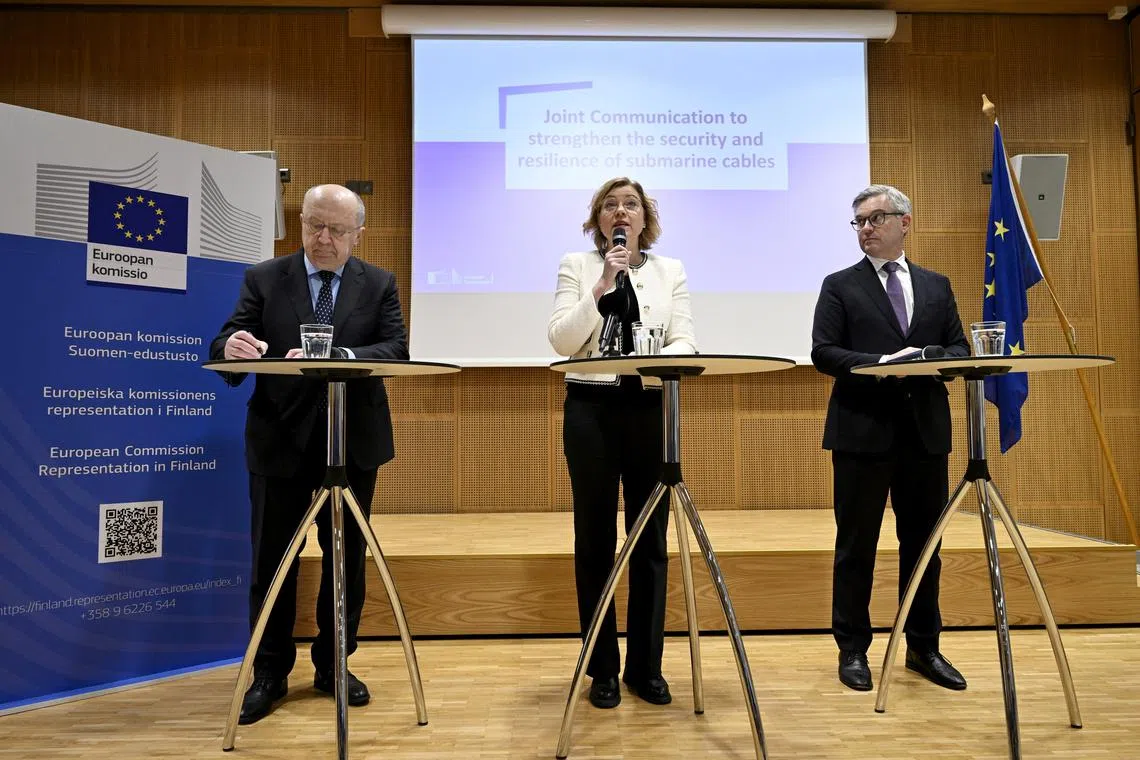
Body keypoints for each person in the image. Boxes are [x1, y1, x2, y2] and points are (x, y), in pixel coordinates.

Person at [209, 184, 409, 724]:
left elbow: (396, 347)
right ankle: (269, 671)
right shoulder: (265, 279)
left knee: (346, 561)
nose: (323, 239)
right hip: (280, 443)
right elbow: (228, 343)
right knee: (272, 562)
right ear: (301, 225)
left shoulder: (379, 283)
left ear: (357, 234)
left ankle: (334, 665)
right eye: (314, 226)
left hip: (352, 444)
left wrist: (338, 355)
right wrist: (231, 347)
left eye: (336, 230)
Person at [811, 184, 970, 693]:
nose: (865, 228)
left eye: (875, 218)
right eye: (858, 221)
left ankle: (924, 647)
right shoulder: (839, 285)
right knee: (855, 546)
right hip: (862, 432)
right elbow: (824, 352)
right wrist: (879, 366)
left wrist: (928, 363)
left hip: (924, 434)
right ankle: (853, 648)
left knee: (924, 547)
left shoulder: (936, 285)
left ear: (905, 222)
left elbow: (959, 348)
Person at [548, 177, 696, 709]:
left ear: (643, 218)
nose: (620, 211)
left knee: (650, 542)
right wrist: (601, 286)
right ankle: (602, 669)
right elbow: (563, 340)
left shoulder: (668, 270)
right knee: (593, 542)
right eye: (610, 205)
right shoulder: (578, 265)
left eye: (630, 204)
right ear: (599, 219)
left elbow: (686, 338)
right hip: (590, 409)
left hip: (648, 410)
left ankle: (646, 667)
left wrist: (659, 355)